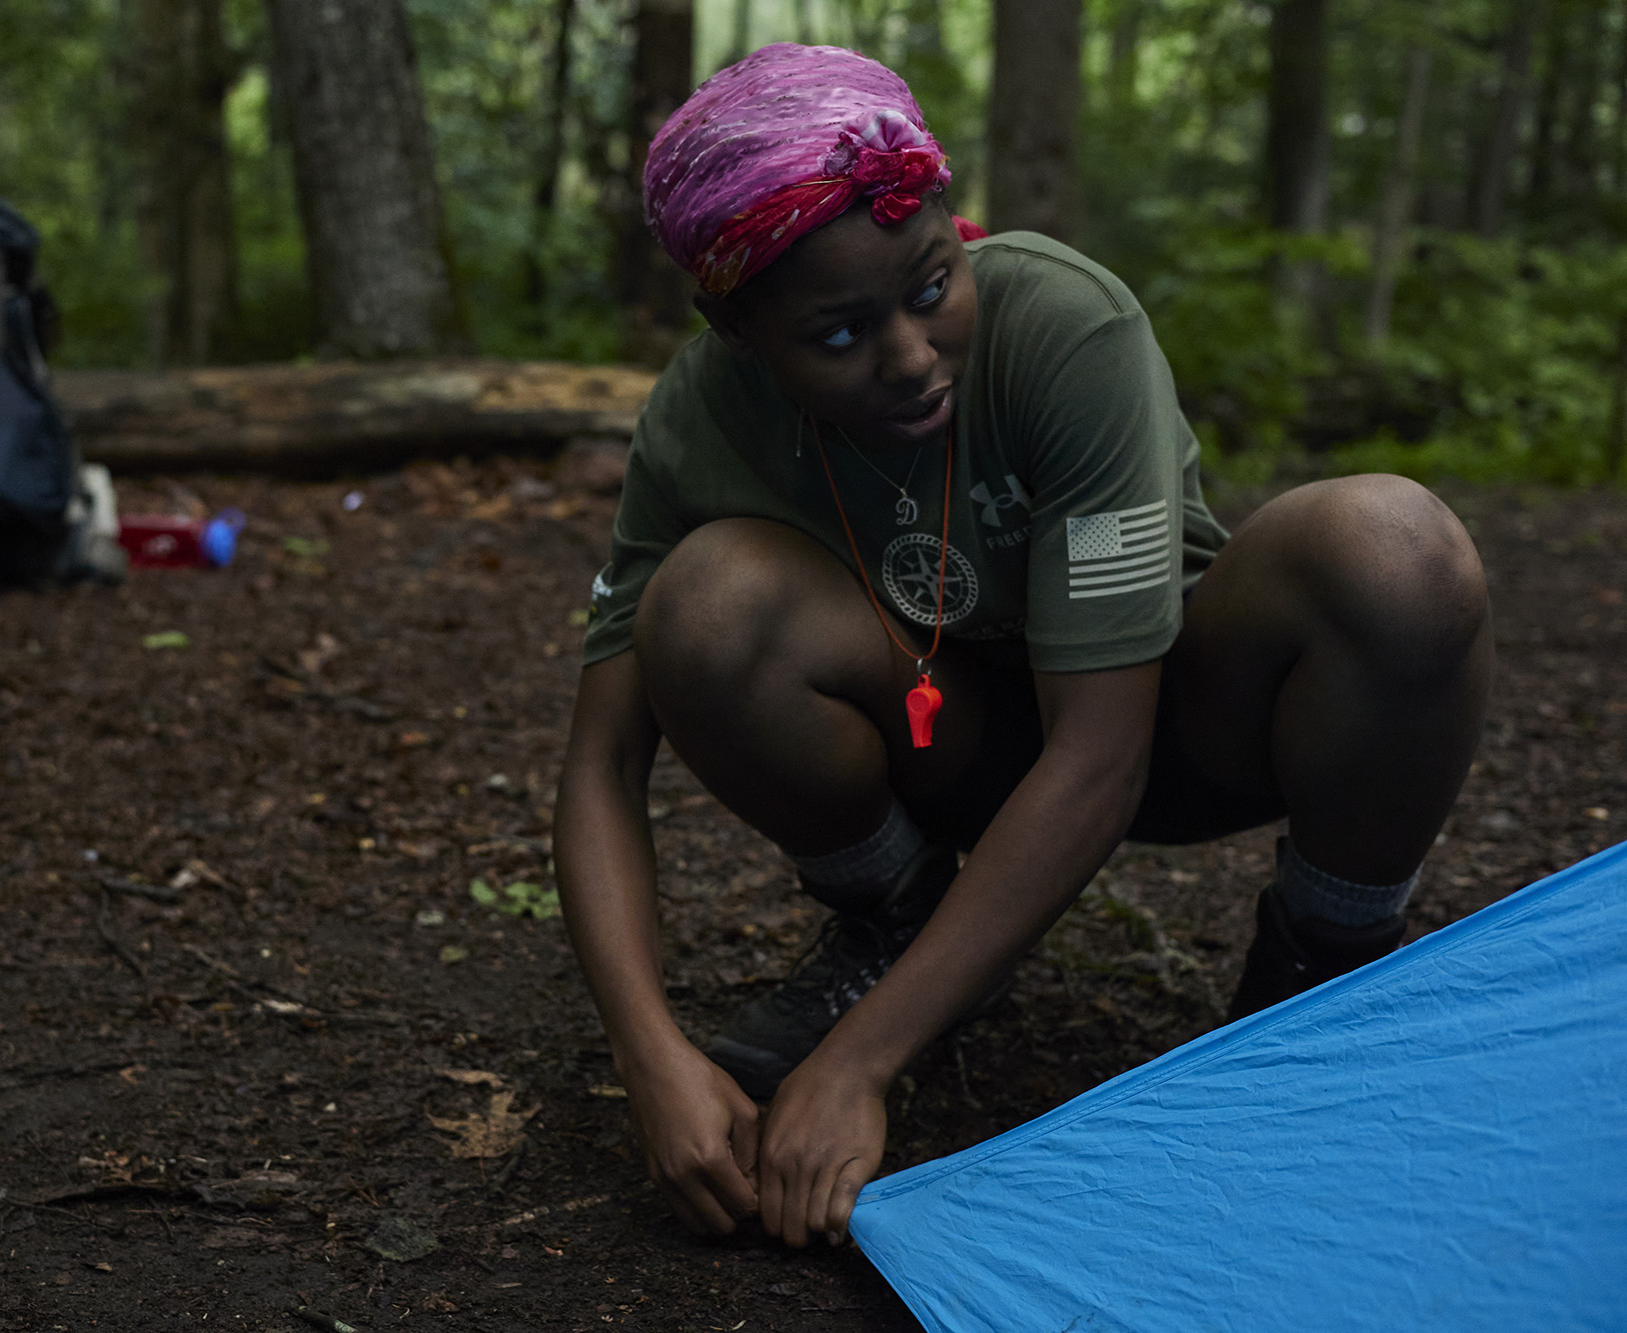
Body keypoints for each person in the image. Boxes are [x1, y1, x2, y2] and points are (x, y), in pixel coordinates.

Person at [552, 43, 1491, 1252]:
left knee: (1396, 547)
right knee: (707, 604)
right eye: (836, 336)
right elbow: (597, 765)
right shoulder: (694, 423)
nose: (907, 355)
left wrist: (854, 1067)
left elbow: (1101, 752)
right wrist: (650, 1055)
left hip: (1168, 725)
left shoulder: (1062, 324)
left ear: (955, 228)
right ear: (734, 328)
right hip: (955, 755)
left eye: (930, 286)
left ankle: (1323, 959)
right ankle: (893, 921)